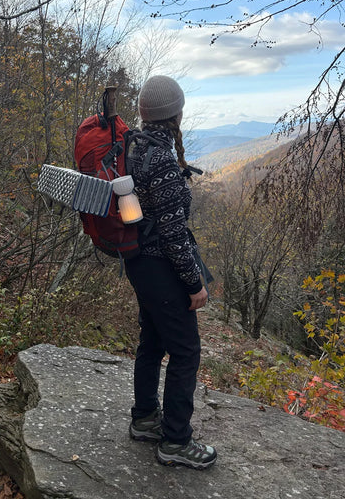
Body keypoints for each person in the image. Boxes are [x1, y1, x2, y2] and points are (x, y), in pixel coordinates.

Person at [126, 75, 217, 470]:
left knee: (153, 341)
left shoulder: (133, 145)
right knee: (185, 351)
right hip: (161, 267)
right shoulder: (161, 158)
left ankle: (146, 418)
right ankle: (175, 442)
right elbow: (174, 233)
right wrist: (194, 283)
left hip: (139, 263)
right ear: (175, 113)